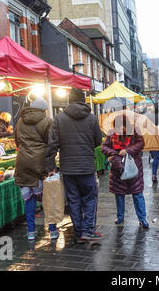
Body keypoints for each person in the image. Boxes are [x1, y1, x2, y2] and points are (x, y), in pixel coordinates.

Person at [46, 88, 103, 243]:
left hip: (68, 168)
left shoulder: (59, 118)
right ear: (83, 100)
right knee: (90, 199)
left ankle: (79, 232)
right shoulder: (91, 118)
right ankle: (87, 230)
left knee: (73, 200)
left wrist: (50, 165)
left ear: (69, 100)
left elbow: (52, 144)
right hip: (87, 167)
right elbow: (98, 140)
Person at [14, 97, 53, 240]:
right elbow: (51, 142)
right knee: (47, 198)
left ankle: (31, 232)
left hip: (23, 162)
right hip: (40, 163)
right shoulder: (47, 121)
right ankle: (53, 230)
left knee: (29, 198)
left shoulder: (20, 120)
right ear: (44, 109)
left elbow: (16, 140)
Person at [101, 114, 149, 228]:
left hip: (133, 166)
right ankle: (120, 216)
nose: (119, 130)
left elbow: (141, 144)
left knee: (137, 193)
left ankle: (142, 219)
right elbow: (104, 147)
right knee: (119, 194)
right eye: (116, 127)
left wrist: (128, 150)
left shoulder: (135, 131)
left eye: (121, 127)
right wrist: (114, 153)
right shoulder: (111, 133)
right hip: (117, 167)